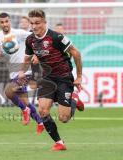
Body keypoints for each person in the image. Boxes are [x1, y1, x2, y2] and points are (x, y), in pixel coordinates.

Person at [18, 9, 83, 151]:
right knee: (42, 111)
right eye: (32, 23)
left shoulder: (56, 37)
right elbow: (28, 58)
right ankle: (59, 142)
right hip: (46, 78)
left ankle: (74, 100)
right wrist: (22, 71)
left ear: (45, 22)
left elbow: (76, 53)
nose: (34, 26)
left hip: (64, 77)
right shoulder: (30, 40)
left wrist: (79, 76)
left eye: (38, 23)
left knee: (64, 118)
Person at [0, 12, 44, 134]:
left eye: (7, 21)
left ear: (10, 21)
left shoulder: (19, 33)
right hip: (12, 72)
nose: (5, 24)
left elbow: (37, 37)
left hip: (24, 71)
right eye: (2, 22)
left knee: (8, 91)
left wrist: (36, 54)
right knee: (25, 101)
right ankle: (41, 123)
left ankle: (24, 110)